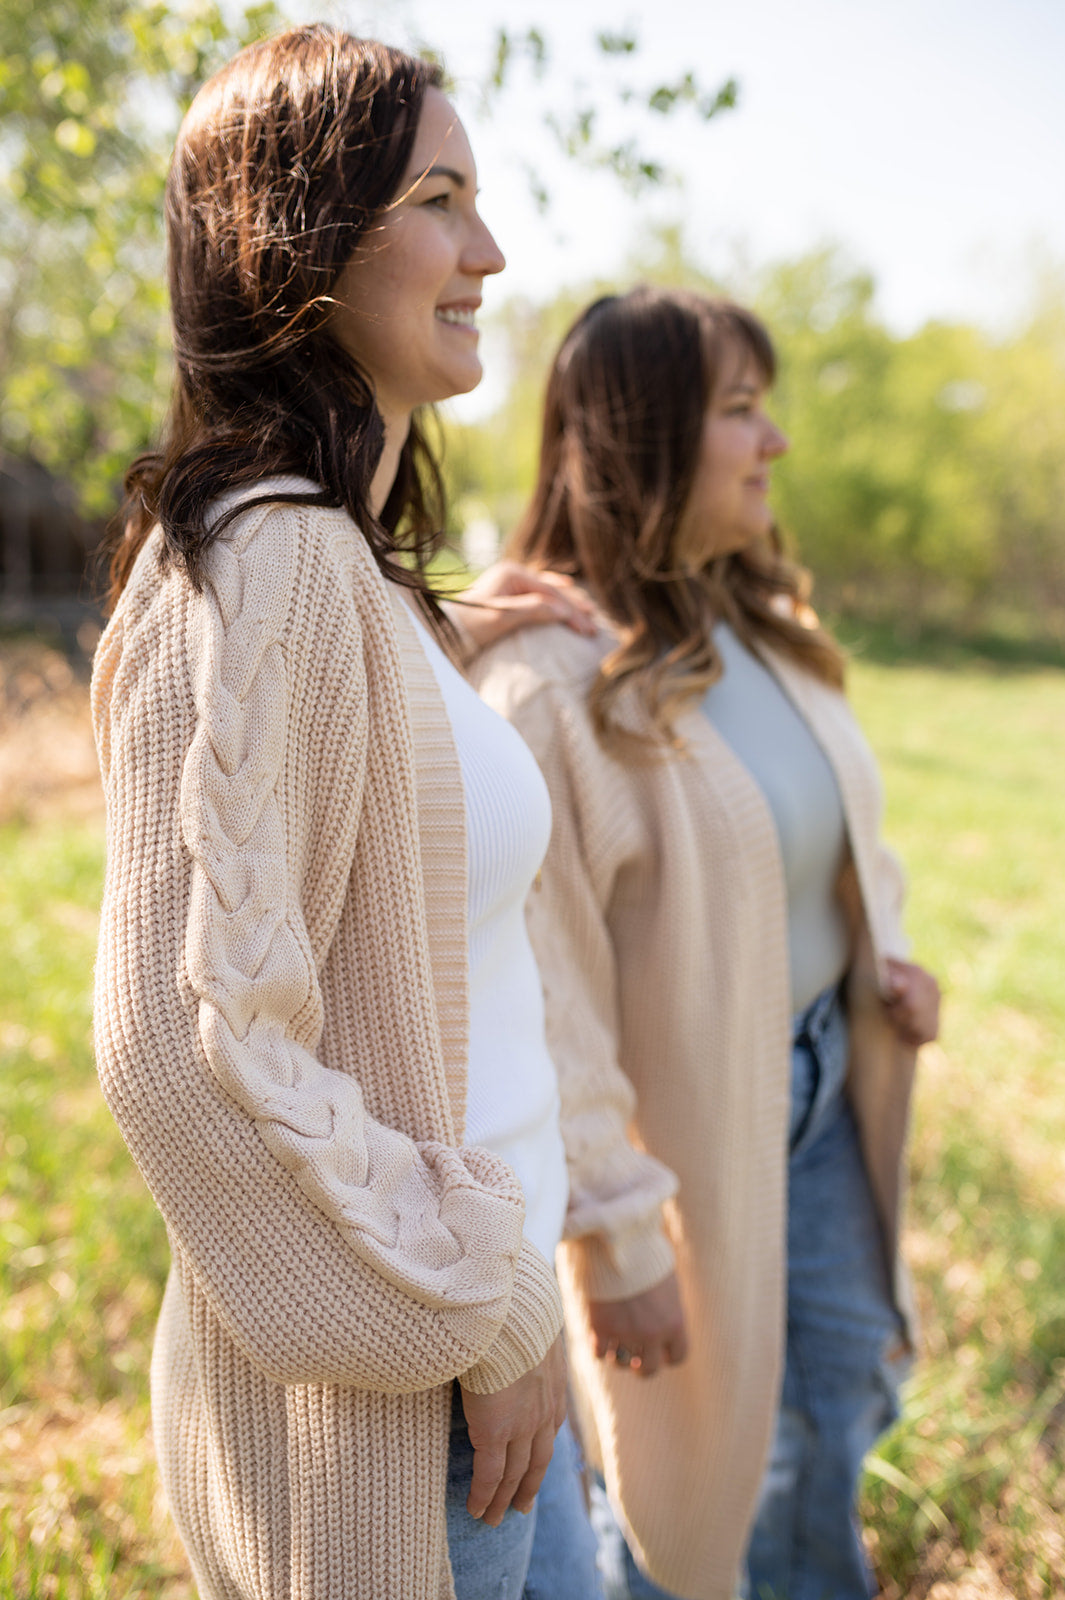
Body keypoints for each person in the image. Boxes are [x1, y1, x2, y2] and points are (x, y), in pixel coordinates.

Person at [91, 24, 602, 1600]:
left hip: (493, 1359)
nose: (490, 252)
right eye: (438, 199)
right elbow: (193, 1053)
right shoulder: (275, 556)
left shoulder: (347, 579)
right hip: (409, 1418)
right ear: (297, 241)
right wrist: (479, 1320)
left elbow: (382, 890)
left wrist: (446, 646)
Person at [473, 285, 940, 1600]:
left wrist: (878, 958)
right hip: (678, 1158)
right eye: (741, 410)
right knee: (680, 1494)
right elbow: (541, 997)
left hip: (824, 1095)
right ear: (647, 436)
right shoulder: (548, 687)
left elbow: (830, 836)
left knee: (832, 1399)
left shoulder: (761, 630)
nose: (774, 443)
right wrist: (615, 1238)